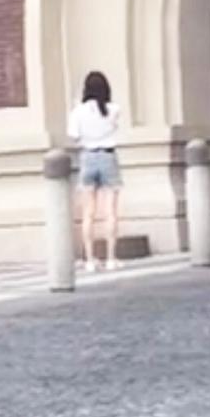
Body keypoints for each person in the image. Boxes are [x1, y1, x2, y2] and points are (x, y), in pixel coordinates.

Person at [68, 71, 123, 271]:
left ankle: (90, 260)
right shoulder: (114, 109)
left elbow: (73, 135)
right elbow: (113, 126)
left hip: (88, 157)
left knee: (88, 213)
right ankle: (111, 258)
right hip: (108, 156)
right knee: (111, 211)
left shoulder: (78, 112)